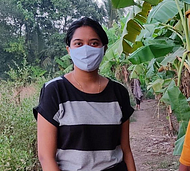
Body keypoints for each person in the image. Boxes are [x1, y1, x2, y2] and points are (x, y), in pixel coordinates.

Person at [33, 17, 136, 171]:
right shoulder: (54, 91)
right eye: (79, 43)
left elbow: (125, 149)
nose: (86, 49)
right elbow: (46, 157)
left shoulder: (118, 92)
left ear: (104, 48)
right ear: (69, 50)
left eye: (94, 43)